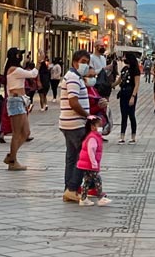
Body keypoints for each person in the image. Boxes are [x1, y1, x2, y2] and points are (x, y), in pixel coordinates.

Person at [59, 50, 94, 203]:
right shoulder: (73, 78)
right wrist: (87, 116)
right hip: (75, 124)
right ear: (75, 62)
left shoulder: (74, 77)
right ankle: (72, 188)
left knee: (72, 157)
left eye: (87, 62)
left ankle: (69, 190)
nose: (86, 65)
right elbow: (73, 102)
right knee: (82, 157)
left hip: (68, 123)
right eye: (84, 61)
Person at [4, 48, 38, 171]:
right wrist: (38, 63)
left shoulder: (16, 69)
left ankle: (11, 156)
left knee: (26, 132)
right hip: (15, 101)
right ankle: (13, 161)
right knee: (17, 133)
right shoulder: (14, 69)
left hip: (20, 101)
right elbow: (33, 74)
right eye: (20, 55)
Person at [77, 115, 111, 206]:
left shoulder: (94, 136)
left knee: (87, 181)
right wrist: (94, 163)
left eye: (101, 126)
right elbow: (91, 151)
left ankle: (83, 199)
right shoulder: (93, 137)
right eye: (99, 126)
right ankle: (100, 198)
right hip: (90, 164)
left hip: (86, 164)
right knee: (97, 179)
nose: (101, 128)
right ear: (92, 127)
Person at [116, 53, 141, 144]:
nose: (123, 58)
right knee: (123, 115)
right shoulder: (124, 69)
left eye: (125, 57)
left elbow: (137, 84)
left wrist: (133, 96)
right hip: (123, 93)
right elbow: (119, 80)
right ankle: (122, 136)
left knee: (131, 115)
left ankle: (133, 136)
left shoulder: (135, 70)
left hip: (131, 93)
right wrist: (110, 85)